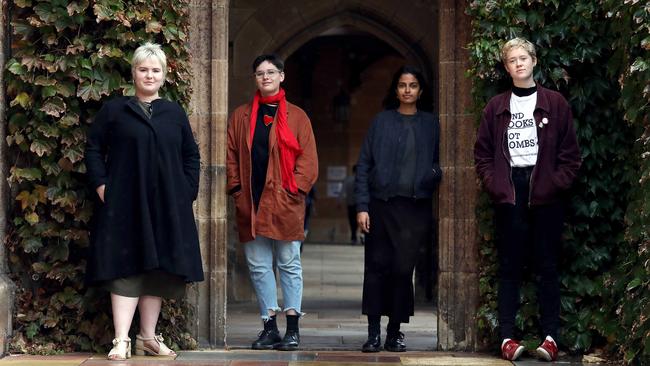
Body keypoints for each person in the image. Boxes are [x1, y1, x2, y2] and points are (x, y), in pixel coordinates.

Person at [85, 42, 203, 361]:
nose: (149, 75)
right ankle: (121, 340)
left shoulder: (173, 113)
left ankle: (147, 338)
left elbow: (191, 156)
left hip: (166, 205)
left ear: (163, 76)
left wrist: (185, 191)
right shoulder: (115, 110)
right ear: (133, 73)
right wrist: (102, 186)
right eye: (143, 69)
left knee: (157, 269)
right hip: (125, 204)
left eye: (155, 70)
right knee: (125, 266)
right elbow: (93, 148)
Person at [474, 37, 581, 362]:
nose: (519, 64)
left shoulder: (555, 102)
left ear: (534, 61)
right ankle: (507, 337)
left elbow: (571, 155)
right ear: (506, 67)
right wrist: (496, 186)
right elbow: (482, 154)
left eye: (523, 58)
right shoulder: (496, 107)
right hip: (510, 191)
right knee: (509, 267)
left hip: (545, 191)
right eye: (512, 60)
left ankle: (550, 338)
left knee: (547, 266)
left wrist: (553, 184)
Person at [226, 54, 318, 351]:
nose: (265, 77)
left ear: (282, 76)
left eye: (270, 72)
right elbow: (231, 155)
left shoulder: (297, 116)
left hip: (284, 200)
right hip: (251, 201)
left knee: (289, 263)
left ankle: (292, 328)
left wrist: (296, 189)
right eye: (259, 73)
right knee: (258, 265)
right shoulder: (240, 115)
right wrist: (237, 189)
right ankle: (269, 327)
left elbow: (309, 160)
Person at [355, 65, 441, 353]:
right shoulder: (381, 122)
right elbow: (364, 164)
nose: (407, 90)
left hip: (414, 209)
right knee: (377, 268)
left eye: (413, 85)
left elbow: (443, 160)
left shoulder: (431, 123)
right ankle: (373, 333)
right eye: (403, 85)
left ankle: (394, 332)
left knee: (403, 271)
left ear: (420, 90)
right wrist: (362, 207)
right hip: (382, 206)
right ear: (396, 90)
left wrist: (432, 175)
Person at [342, 165, 358, 244]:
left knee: (352, 220)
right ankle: (356, 235)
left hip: (350, 203)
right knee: (358, 220)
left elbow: (343, 191)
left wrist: (339, 201)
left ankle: (353, 236)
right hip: (358, 204)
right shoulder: (361, 180)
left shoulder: (348, 180)